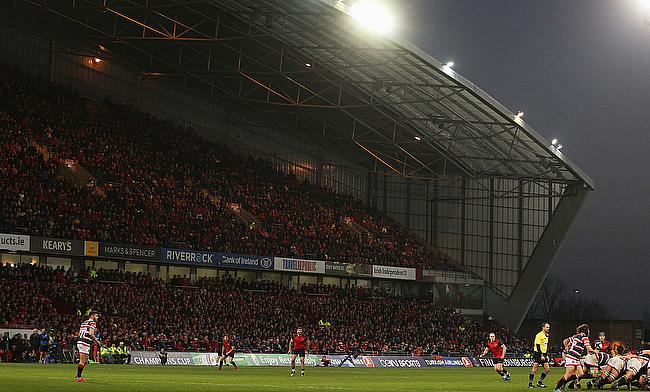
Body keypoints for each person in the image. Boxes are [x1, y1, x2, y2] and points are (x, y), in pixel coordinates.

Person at [553, 323, 595, 392]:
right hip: (571, 357)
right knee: (568, 375)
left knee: (580, 374)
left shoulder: (576, 336)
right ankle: (556, 389)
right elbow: (589, 349)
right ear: (585, 331)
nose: (589, 332)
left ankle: (562, 383)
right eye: (588, 330)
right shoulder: (585, 338)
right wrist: (596, 352)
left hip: (576, 358)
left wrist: (567, 347)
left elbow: (565, 341)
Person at [75, 311, 101, 383]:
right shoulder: (92, 322)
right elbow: (91, 333)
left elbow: (80, 333)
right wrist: (97, 341)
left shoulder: (84, 322)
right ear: (92, 316)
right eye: (96, 316)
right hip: (84, 342)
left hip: (81, 341)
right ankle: (78, 377)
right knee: (83, 361)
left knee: (85, 361)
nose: (97, 317)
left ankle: (78, 375)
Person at [529, 322, 551, 388]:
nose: (548, 328)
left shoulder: (546, 335)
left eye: (549, 327)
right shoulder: (539, 335)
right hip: (538, 353)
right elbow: (538, 346)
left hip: (544, 354)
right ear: (543, 327)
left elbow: (545, 346)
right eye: (547, 327)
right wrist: (541, 355)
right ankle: (530, 384)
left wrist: (546, 355)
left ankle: (539, 383)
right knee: (535, 368)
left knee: (547, 369)